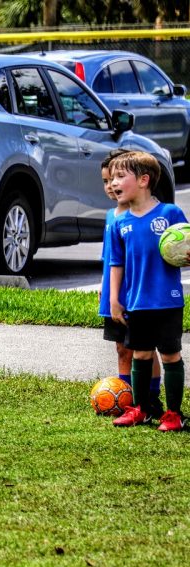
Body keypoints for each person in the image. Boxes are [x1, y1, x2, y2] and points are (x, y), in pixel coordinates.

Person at [108, 150, 187, 431]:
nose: (114, 183)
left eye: (120, 176)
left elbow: (185, 245)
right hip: (136, 302)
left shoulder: (170, 213)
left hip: (167, 302)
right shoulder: (121, 222)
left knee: (169, 355)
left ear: (143, 180)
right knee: (141, 354)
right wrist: (114, 300)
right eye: (112, 177)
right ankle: (142, 409)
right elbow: (116, 263)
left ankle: (174, 414)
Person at [97, 150, 162, 410]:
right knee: (122, 347)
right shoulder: (111, 217)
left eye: (116, 178)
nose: (111, 185)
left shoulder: (148, 215)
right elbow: (108, 258)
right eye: (105, 180)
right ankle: (126, 398)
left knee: (145, 347)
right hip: (115, 292)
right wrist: (105, 288)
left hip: (138, 293)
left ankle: (151, 396)